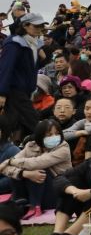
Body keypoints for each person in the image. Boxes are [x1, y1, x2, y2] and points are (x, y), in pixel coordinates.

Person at [0, 12, 46, 146]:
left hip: (26, 90)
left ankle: (13, 147)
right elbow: (5, 68)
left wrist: (42, 56)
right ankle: (49, 143)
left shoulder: (33, 42)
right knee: (32, 119)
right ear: (25, 26)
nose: (39, 29)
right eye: (36, 26)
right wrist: (2, 93)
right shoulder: (15, 42)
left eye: (41, 26)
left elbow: (31, 67)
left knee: (13, 122)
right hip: (14, 90)